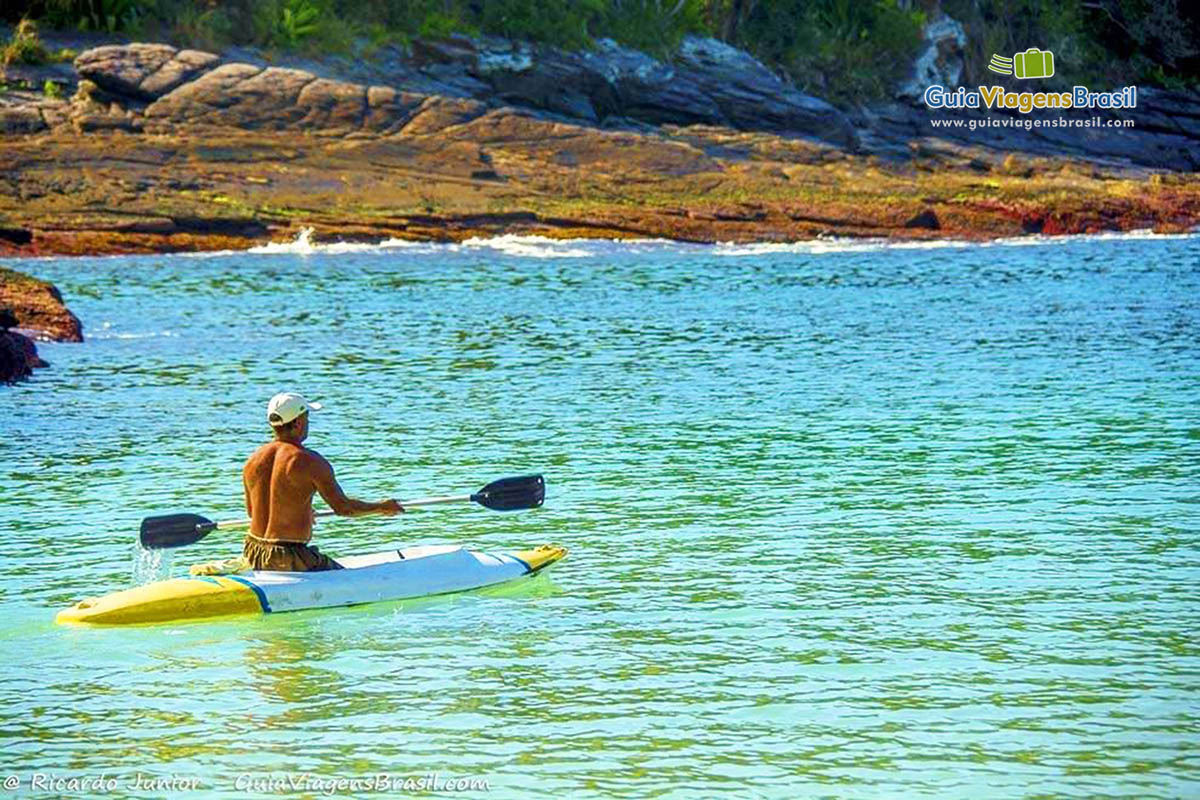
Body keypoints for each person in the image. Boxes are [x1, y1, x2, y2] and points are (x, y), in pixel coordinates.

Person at [241, 392, 403, 571]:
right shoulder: (309, 461)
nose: (308, 423)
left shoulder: (253, 460)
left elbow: (252, 511)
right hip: (289, 557)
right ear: (297, 422)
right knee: (345, 578)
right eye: (307, 417)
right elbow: (343, 508)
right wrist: (382, 507)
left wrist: (297, 511)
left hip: (253, 552)